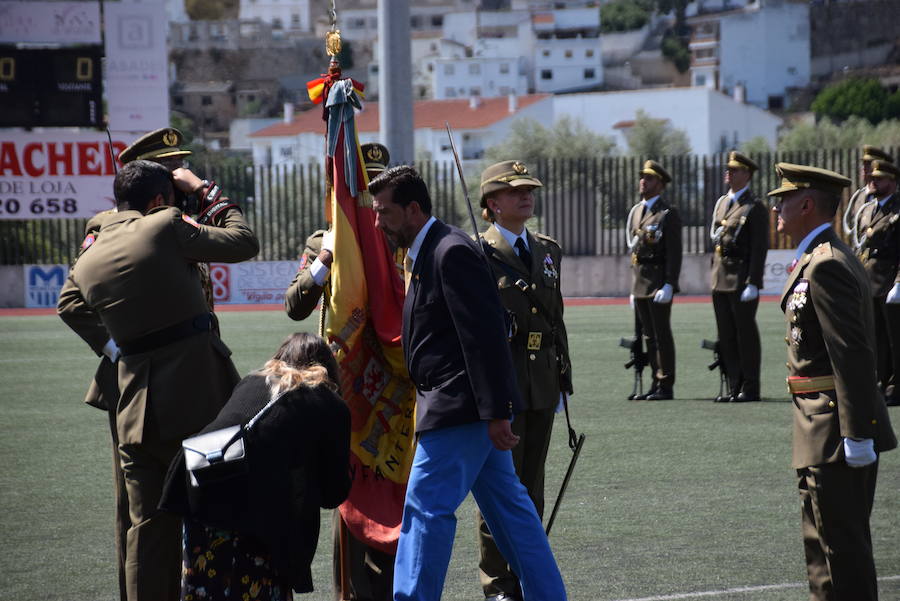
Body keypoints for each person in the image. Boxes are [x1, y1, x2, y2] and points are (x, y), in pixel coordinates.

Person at [57, 159, 260, 601]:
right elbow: (243, 242)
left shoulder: (89, 256)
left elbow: (67, 303)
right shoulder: (165, 224)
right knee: (223, 515)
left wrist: (115, 349)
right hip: (200, 403)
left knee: (147, 531)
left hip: (134, 409)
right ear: (157, 202)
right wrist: (206, 190)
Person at [369, 165, 567, 601]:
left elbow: (486, 337)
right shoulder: (431, 250)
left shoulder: (449, 251)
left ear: (414, 209)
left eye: (384, 212)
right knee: (513, 514)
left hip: (460, 409)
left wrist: (496, 411)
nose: (377, 221)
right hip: (466, 407)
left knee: (425, 512)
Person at [770, 161, 897, 601]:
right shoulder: (820, 257)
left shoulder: (826, 264)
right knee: (823, 556)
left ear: (806, 204)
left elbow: (853, 355)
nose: (776, 208)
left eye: (782, 199)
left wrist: (858, 432)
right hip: (819, 427)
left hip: (833, 429)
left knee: (841, 554)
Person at [159, 333, 352, 600]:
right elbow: (334, 494)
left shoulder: (251, 381)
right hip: (260, 519)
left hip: (201, 493)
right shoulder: (331, 405)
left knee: (204, 590)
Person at [474, 160, 573, 601]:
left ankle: (527, 571)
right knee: (500, 487)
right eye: (516, 191)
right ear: (492, 204)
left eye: (529, 189)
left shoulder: (547, 249)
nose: (526, 196)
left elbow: (557, 319)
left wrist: (563, 377)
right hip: (505, 384)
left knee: (533, 485)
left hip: (542, 381)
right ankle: (497, 582)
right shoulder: (477, 252)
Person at [119, 127, 219, 318]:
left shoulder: (184, 222)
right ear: (142, 172)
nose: (180, 173)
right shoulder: (117, 225)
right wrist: (112, 347)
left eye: (180, 163)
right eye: (168, 166)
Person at [709, 151, 769, 403]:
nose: (729, 173)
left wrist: (753, 282)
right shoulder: (723, 203)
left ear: (747, 174)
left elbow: (759, 247)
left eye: (734, 170)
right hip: (720, 277)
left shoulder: (754, 207)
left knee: (745, 334)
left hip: (742, 277)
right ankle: (734, 385)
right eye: (728, 169)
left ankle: (750, 387)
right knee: (726, 335)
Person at [627, 160, 682, 400]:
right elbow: (635, 250)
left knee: (661, 334)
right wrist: (633, 286)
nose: (643, 181)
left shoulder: (667, 213)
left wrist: (670, 283)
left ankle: (665, 383)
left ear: (659, 184)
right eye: (642, 177)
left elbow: (674, 252)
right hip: (641, 281)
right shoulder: (638, 210)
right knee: (648, 335)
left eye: (649, 178)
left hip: (658, 280)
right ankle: (654, 382)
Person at [855, 159, 900, 407]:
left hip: (890, 280)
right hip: (869, 281)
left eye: (880, 178)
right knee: (876, 338)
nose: (873, 181)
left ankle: (896, 387)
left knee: (895, 340)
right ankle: (882, 383)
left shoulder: (897, 210)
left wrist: (899, 281)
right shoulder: (868, 209)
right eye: (872, 177)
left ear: (892, 182)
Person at [842, 145, 893, 243]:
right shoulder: (858, 196)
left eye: (869, 164)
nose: (864, 168)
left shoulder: (888, 197)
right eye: (863, 163)